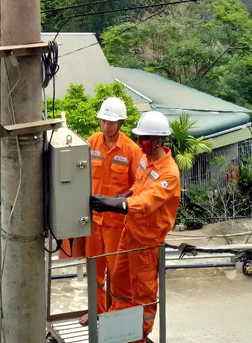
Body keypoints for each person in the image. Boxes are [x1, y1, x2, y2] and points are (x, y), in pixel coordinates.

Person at [89, 110, 180, 343]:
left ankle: (138, 336)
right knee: (119, 285)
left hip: (147, 243)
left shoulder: (168, 174)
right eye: (139, 138)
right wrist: (122, 195)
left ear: (158, 141)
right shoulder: (146, 161)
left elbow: (146, 201)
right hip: (129, 234)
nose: (139, 143)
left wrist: (113, 203)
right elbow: (136, 189)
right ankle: (116, 327)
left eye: (144, 139)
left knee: (143, 295)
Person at [80, 97, 141, 320]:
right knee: (94, 272)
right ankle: (95, 312)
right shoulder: (91, 143)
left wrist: (119, 199)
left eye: (111, 122)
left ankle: (116, 316)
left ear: (120, 123)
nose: (106, 126)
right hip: (94, 221)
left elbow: (139, 185)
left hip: (117, 224)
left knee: (117, 274)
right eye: (103, 121)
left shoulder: (131, 150)